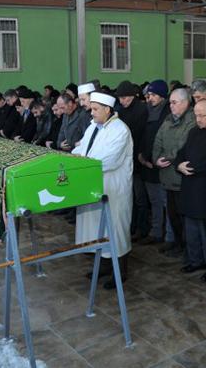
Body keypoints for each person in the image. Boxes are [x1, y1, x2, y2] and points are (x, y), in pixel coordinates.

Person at [72, 92, 133, 290]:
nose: (92, 112)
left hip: (114, 188)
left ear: (108, 110)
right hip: (94, 185)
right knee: (98, 228)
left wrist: (83, 163)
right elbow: (81, 149)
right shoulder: (93, 127)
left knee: (115, 228)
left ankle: (120, 272)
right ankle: (104, 266)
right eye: (91, 108)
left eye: (96, 109)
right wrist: (74, 158)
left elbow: (110, 160)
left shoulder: (120, 130)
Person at [176, 100, 206, 281]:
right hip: (189, 186)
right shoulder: (194, 132)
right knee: (191, 228)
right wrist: (179, 164)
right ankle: (195, 260)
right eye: (195, 115)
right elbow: (182, 152)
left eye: (201, 115)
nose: (197, 119)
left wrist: (194, 168)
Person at [152, 88, 196, 258]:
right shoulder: (168, 119)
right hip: (167, 176)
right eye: (170, 102)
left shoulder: (191, 120)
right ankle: (176, 243)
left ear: (185, 103)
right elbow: (158, 140)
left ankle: (186, 247)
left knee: (183, 216)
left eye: (174, 102)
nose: (170, 106)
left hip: (181, 178)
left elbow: (183, 145)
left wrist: (168, 157)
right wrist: (156, 158)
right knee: (172, 215)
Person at [138, 80, 171, 246]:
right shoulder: (148, 111)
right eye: (149, 95)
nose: (149, 98)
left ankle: (169, 237)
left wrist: (156, 159)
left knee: (166, 203)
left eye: (153, 95)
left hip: (161, 165)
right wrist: (142, 156)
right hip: (147, 164)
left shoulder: (167, 112)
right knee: (155, 202)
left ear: (162, 96)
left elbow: (165, 140)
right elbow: (144, 135)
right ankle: (156, 232)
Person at [116, 80, 149, 242]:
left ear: (131, 96)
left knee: (140, 197)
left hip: (137, 159)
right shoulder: (121, 110)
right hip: (125, 160)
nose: (122, 101)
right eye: (120, 98)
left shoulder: (142, 109)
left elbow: (137, 134)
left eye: (124, 98)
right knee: (130, 197)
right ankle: (131, 226)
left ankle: (142, 228)